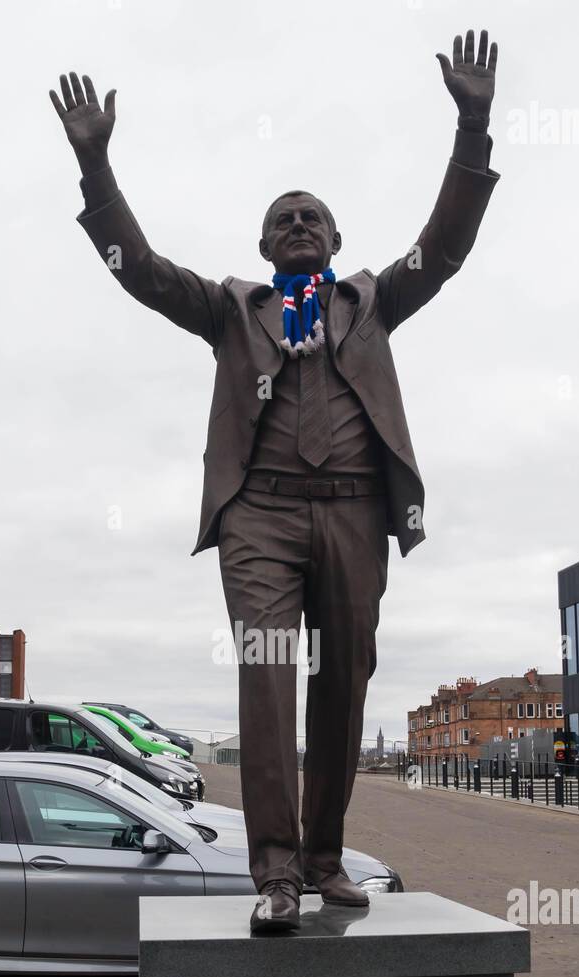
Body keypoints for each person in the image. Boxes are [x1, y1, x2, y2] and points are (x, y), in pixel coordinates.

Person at [50, 31, 500, 931]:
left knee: (344, 687)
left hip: (355, 516)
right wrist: (97, 167)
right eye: (284, 218)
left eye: (314, 217)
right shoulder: (230, 309)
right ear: (263, 243)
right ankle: (276, 875)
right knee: (268, 680)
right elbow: (137, 272)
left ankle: (327, 858)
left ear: (337, 241)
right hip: (260, 518)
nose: (299, 224)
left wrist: (473, 124)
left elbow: (444, 248)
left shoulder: (375, 301)